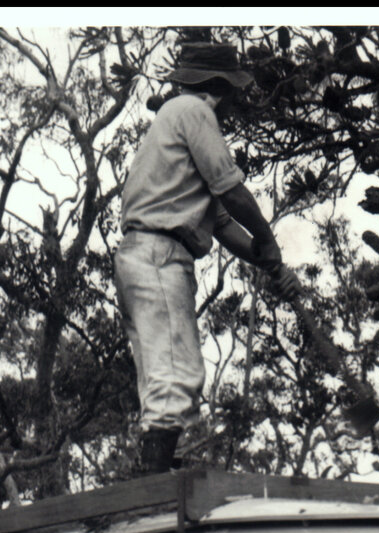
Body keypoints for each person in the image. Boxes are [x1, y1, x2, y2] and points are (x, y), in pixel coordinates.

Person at [114, 42, 301, 474]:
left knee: (160, 376)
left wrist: (270, 264)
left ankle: (154, 469)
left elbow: (223, 225)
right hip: (160, 254)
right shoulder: (195, 111)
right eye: (234, 91)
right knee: (179, 375)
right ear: (219, 88)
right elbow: (233, 193)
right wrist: (270, 239)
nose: (236, 104)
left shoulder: (170, 123)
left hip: (141, 255)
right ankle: (154, 480)